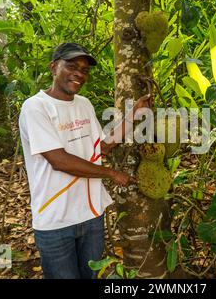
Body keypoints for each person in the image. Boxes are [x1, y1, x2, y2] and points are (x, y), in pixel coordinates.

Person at [18, 42, 150, 279]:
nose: (79, 73)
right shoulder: (36, 107)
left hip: (90, 216)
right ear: (53, 67)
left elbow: (103, 147)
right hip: (55, 220)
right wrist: (111, 174)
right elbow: (59, 160)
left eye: (85, 69)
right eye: (71, 66)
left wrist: (134, 115)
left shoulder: (84, 104)